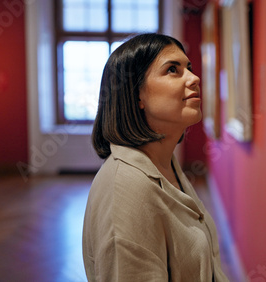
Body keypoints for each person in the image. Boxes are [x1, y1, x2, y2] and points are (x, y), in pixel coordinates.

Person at [82, 33, 228, 282]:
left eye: (188, 68)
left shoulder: (165, 163)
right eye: (173, 69)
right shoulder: (127, 190)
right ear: (137, 94)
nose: (194, 78)